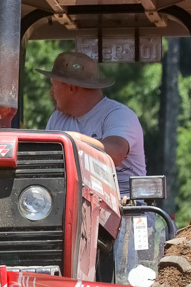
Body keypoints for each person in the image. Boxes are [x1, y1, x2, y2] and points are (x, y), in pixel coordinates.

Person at [41, 51, 146, 196]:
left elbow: (114, 153)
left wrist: (72, 140)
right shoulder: (57, 119)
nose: (51, 92)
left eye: (54, 85)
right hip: (77, 204)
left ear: (71, 88)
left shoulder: (118, 115)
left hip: (123, 206)